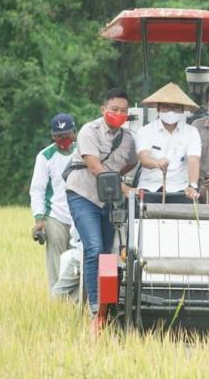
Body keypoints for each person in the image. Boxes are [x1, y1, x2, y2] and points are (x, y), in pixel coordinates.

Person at [64, 88, 137, 325]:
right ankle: (96, 308)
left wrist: (117, 178)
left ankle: (108, 306)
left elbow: (132, 163)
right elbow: (95, 167)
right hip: (84, 195)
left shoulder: (128, 138)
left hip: (109, 200)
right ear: (103, 109)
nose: (118, 114)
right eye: (114, 109)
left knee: (109, 253)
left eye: (124, 110)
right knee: (94, 248)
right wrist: (123, 187)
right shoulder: (89, 130)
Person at [29, 112, 77, 293]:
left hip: (79, 216)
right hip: (55, 216)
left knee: (77, 261)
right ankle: (58, 303)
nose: (63, 139)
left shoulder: (83, 152)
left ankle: (77, 302)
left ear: (74, 133)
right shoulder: (45, 157)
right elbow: (37, 190)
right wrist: (39, 219)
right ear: (52, 135)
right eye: (59, 136)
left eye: (67, 135)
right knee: (56, 262)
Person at [136, 82, 201, 203]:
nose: (171, 111)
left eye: (175, 107)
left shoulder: (192, 132)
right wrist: (156, 163)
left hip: (180, 188)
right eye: (166, 106)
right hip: (150, 187)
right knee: (141, 212)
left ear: (182, 109)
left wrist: (193, 186)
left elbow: (193, 160)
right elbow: (144, 159)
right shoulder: (145, 131)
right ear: (158, 108)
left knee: (186, 210)